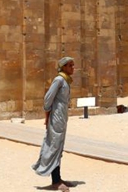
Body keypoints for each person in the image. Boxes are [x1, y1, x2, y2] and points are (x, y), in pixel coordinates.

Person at [32, 57, 75, 191]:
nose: (73, 68)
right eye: (70, 66)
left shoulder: (66, 81)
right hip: (56, 117)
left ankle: (58, 177)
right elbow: (48, 98)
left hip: (61, 117)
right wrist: (47, 115)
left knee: (59, 146)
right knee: (54, 146)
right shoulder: (59, 80)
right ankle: (55, 180)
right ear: (64, 67)